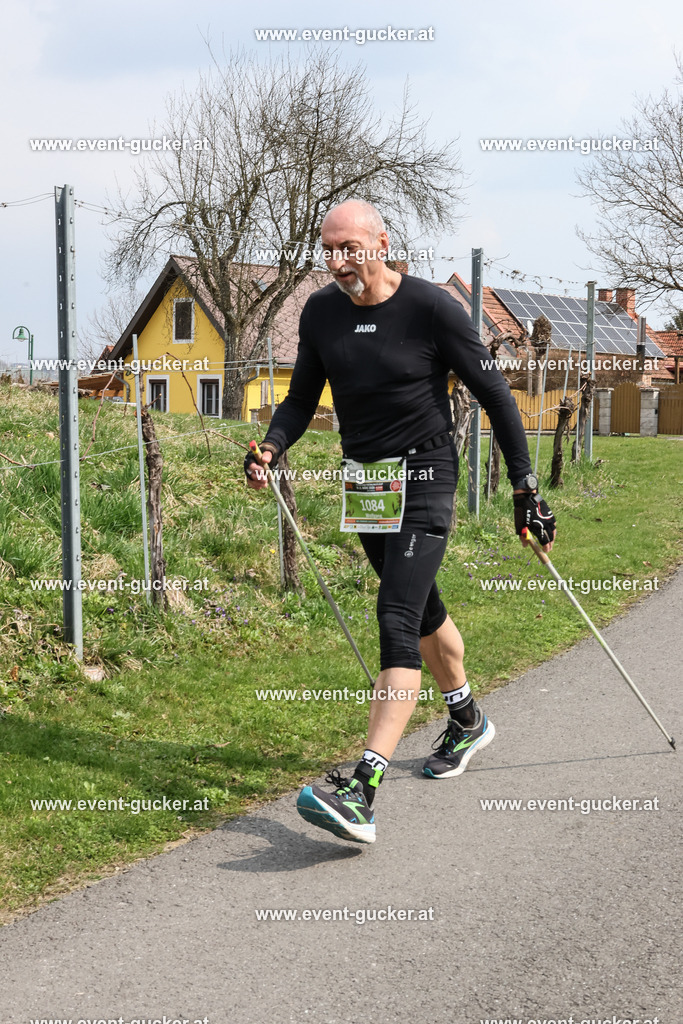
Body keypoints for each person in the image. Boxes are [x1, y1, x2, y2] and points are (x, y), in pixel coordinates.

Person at [245, 199, 556, 845]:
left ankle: (362, 787)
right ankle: (466, 718)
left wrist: (524, 488)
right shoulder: (321, 312)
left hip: (425, 474)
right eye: (327, 250)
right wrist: (272, 447)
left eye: (349, 248)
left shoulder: (430, 308)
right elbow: (302, 397)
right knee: (422, 611)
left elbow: (495, 393)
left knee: (394, 616)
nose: (337, 263)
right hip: (366, 479)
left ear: (381, 243)